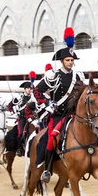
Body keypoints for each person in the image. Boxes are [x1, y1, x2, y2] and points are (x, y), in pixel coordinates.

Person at [34, 28, 85, 183]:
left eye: (71, 60)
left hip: (74, 114)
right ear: (62, 61)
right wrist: (48, 103)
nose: (70, 62)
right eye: (67, 60)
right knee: (51, 139)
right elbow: (37, 91)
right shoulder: (53, 76)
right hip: (58, 114)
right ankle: (48, 170)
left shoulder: (78, 76)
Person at [9, 72, 38, 156]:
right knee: (21, 133)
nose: (29, 90)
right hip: (22, 118)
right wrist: (13, 113)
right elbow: (10, 106)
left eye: (31, 88)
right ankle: (19, 149)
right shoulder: (19, 98)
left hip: (32, 118)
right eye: (28, 88)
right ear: (24, 89)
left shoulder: (34, 98)